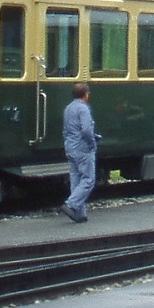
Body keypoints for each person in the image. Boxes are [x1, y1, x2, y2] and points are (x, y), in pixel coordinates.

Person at [60, 82, 97, 223]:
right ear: (85, 94)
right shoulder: (83, 109)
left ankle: (79, 214)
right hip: (83, 147)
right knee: (88, 180)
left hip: (70, 146)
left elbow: (66, 129)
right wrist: (92, 143)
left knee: (76, 180)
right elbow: (87, 130)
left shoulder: (68, 108)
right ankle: (71, 204)